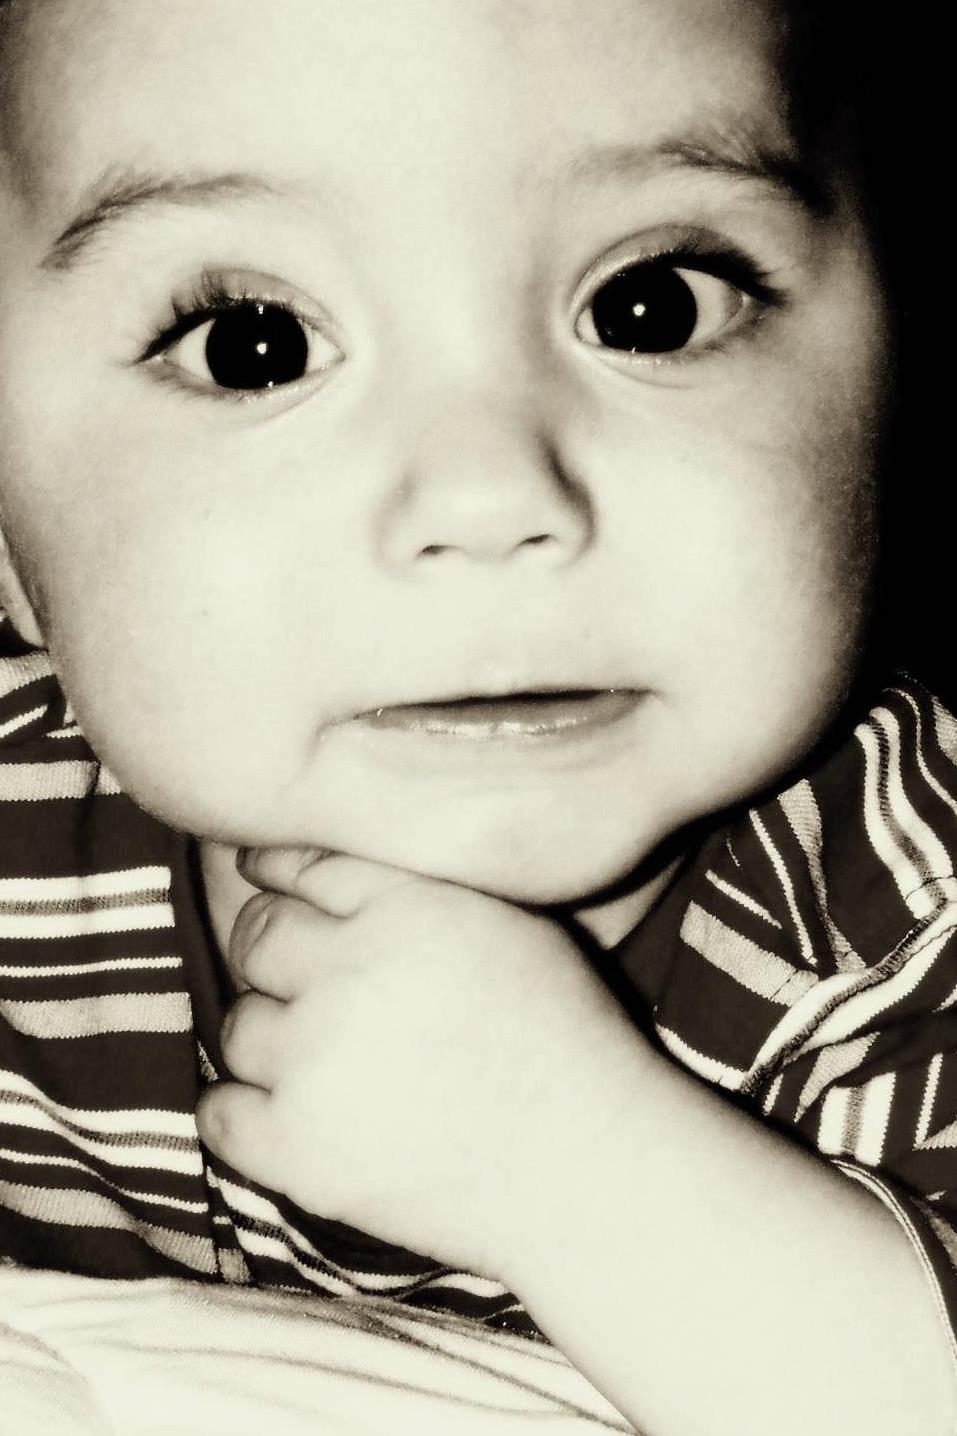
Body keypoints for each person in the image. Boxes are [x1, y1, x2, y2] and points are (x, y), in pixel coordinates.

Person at [0, 0, 953, 1431]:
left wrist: (579, 1171)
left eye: (654, 305)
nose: (490, 493)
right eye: (253, 346)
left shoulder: (897, 925)